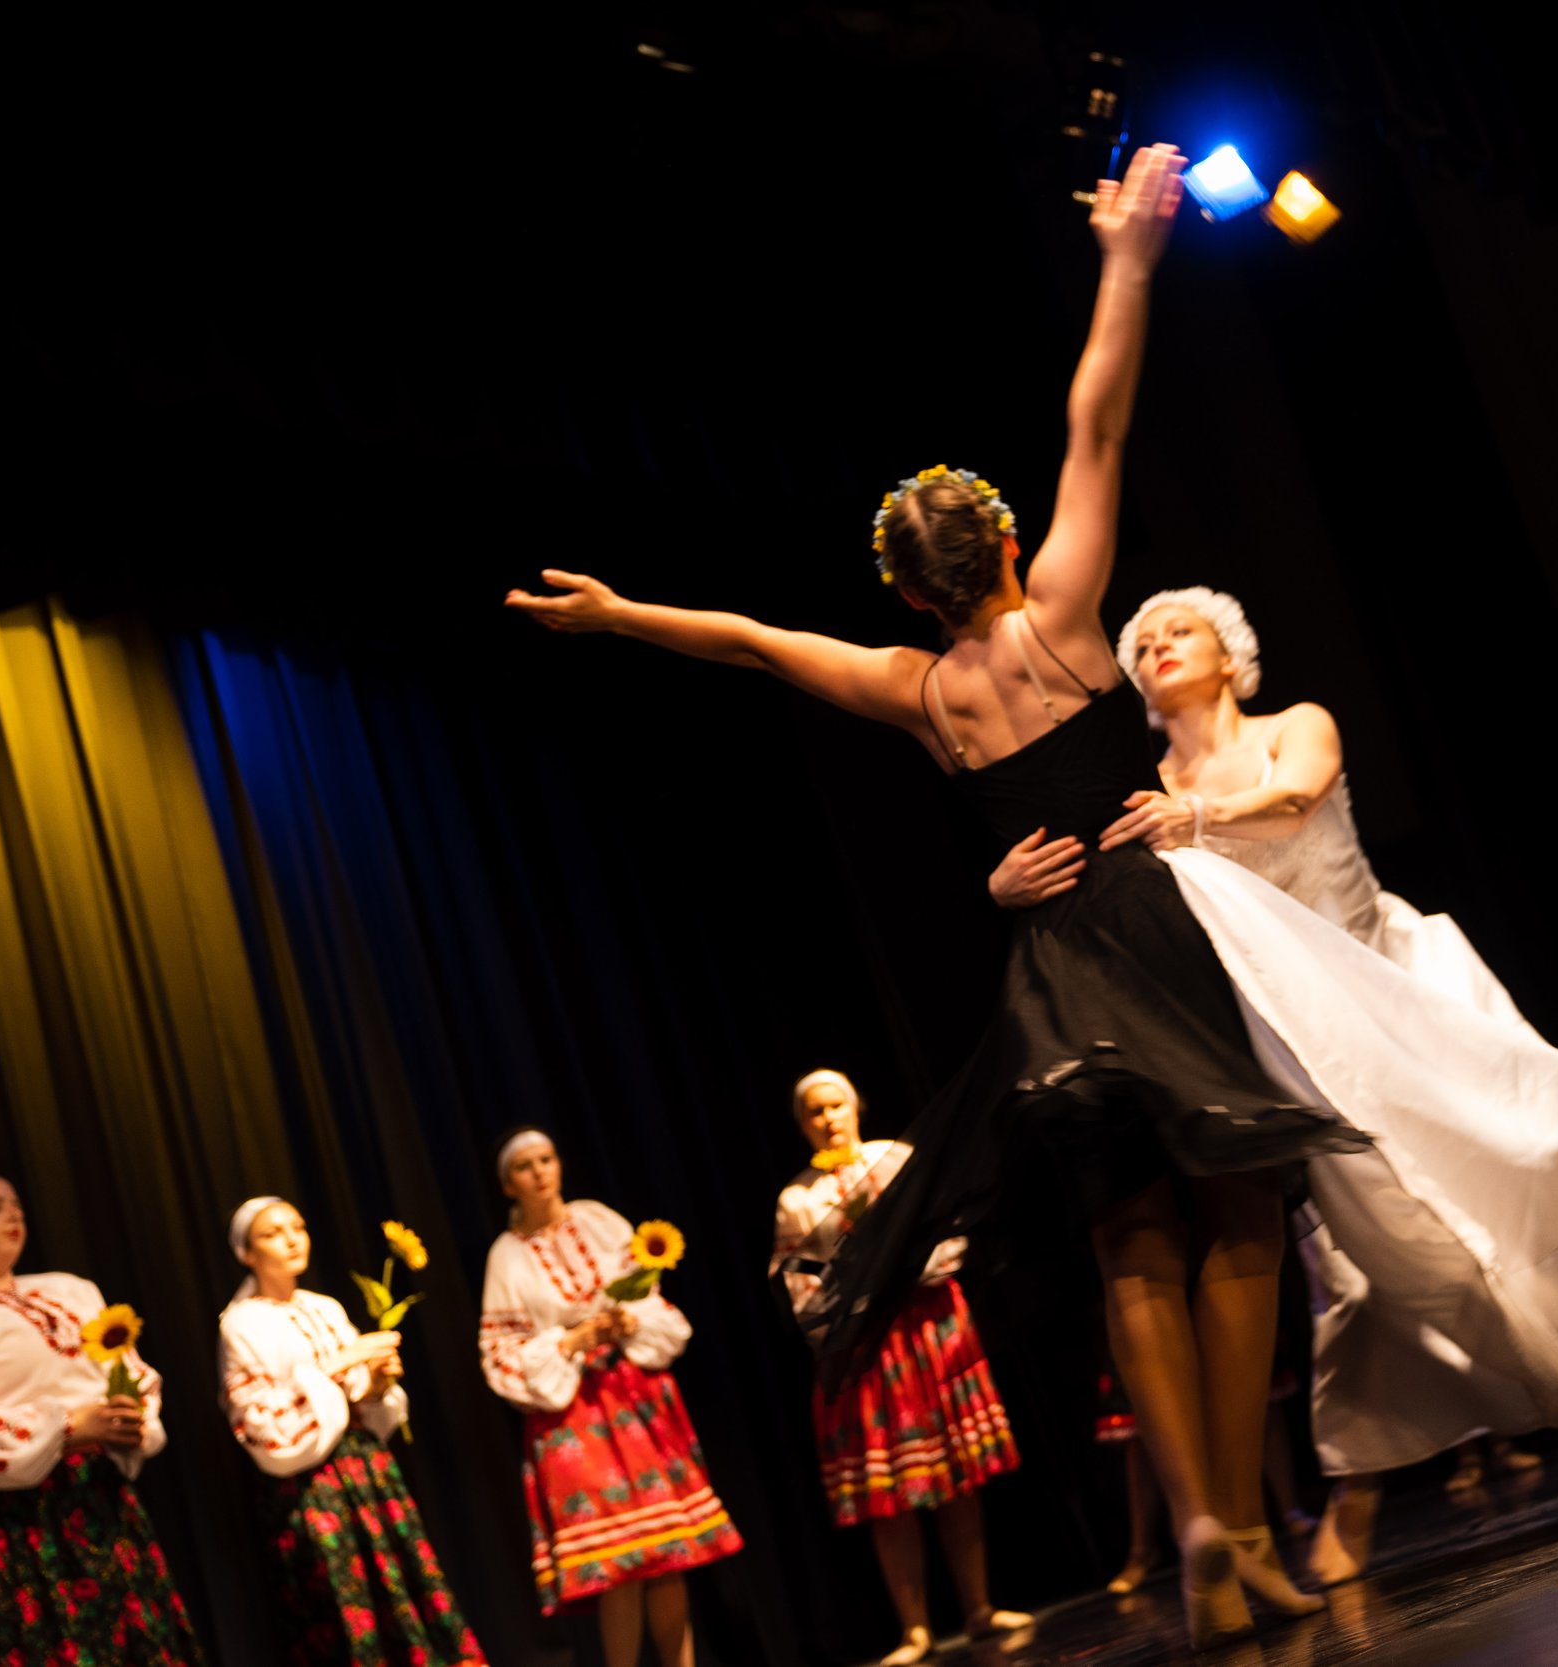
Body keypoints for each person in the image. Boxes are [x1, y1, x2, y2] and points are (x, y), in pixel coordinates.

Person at [508, 143, 1362, 1646]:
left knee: (1129, 1251)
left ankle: (1214, 1526)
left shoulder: (923, 688)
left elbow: (759, 641)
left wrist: (618, 612)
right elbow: (1095, 418)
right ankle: (1239, 1505)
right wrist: (1129, 257)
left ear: (906, 592)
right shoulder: (1066, 620)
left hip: (1053, 972)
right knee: (1237, 1219)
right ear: (1007, 549)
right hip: (1156, 939)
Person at [990, 586, 1558, 1588]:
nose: (1159, 643)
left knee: (1514, 1187)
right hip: (1294, 1039)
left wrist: (1198, 813)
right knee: (1342, 1264)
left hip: (1396, 991)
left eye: (1181, 631)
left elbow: (1297, 797)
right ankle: (1359, 1488)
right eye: (1143, 640)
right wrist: (1001, 886)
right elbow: (1080, 870)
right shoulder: (1143, 786)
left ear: (1229, 655)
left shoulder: (1292, 726)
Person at [772, 1070, 1029, 1665]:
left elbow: (946, 1228)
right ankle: (914, 1628)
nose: (829, 1117)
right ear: (802, 1124)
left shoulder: (896, 1158)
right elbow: (800, 1284)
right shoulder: (798, 1199)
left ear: (856, 1105)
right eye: (815, 1111)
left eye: (837, 1104)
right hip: (869, 1345)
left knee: (956, 1475)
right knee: (892, 1491)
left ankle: (978, 1606)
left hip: (930, 1325)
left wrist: (909, 1266)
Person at [0, 1172, 202, 1665]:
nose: (15, 1214)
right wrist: (68, 1426)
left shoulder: (68, 1292)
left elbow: (129, 1370)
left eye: (16, 1204)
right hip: (6, 1521)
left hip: (95, 1508)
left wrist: (129, 1417)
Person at [478, 1130, 742, 1666]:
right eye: (525, 1166)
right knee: (617, 1561)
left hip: (632, 1393)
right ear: (509, 1185)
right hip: (573, 1413)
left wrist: (627, 1319)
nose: (539, 1172)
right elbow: (499, 1349)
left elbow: (646, 1291)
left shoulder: (597, 1219)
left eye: (546, 1159)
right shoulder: (506, 1256)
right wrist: (570, 1341)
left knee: (667, 1554)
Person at [219, 1196, 485, 1666]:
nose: (291, 1240)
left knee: (406, 1594)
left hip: (368, 1473)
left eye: (297, 1227)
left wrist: (377, 1383)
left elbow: (363, 1399)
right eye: (272, 1233)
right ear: (247, 1252)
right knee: (349, 1608)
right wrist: (340, 1364)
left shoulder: (324, 1307)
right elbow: (258, 1419)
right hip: (313, 1487)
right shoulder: (241, 1324)